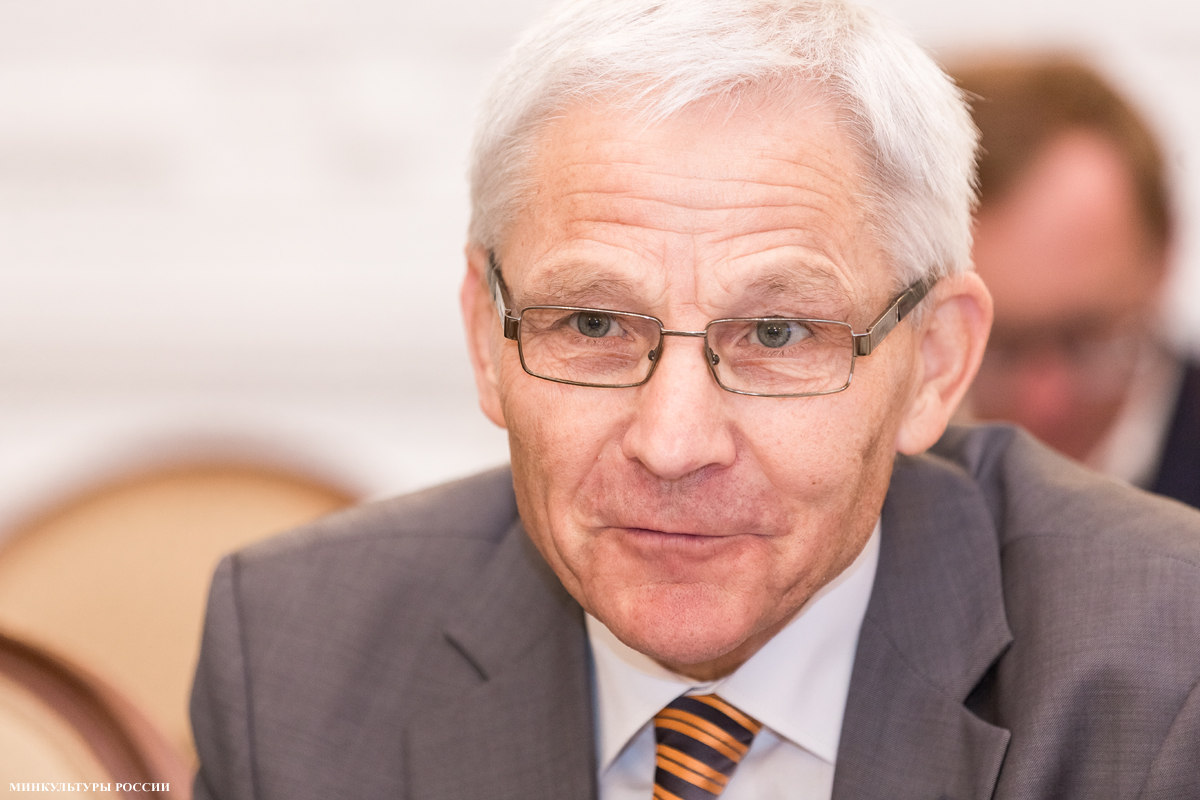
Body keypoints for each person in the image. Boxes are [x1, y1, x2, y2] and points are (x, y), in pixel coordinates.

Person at [189, 2, 1200, 798]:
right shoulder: (291, 658)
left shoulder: (1163, 666)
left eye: (777, 334)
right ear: (486, 339)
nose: (672, 443)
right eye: (593, 324)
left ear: (934, 362)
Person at [952, 56, 1200, 508]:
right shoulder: (885, 481)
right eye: (996, 346)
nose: (1045, 403)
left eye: (1086, 339)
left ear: (1165, 253)